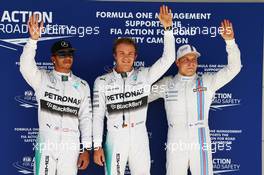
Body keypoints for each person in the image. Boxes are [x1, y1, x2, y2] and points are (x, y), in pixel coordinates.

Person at [148, 19, 241, 175]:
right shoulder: (167, 83)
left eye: (194, 59)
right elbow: (141, 97)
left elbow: (234, 68)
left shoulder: (208, 81)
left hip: (200, 139)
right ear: (177, 62)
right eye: (186, 59)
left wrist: (230, 42)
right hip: (176, 139)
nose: (191, 63)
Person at [92, 5, 175, 175]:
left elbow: (168, 59)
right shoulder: (102, 82)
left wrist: (168, 29)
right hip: (115, 137)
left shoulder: (145, 76)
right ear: (114, 55)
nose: (126, 57)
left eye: (130, 53)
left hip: (139, 134)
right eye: (121, 53)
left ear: (136, 56)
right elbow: (98, 116)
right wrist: (96, 146)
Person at [19, 14, 92, 175]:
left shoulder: (82, 85)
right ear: (53, 59)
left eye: (70, 54)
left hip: (71, 142)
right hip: (47, 139)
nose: (67, 57)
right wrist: (32, 41)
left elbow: (86, 118)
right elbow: (25, 67)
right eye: (62, 54)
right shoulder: (42, 78)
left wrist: (86, 148)